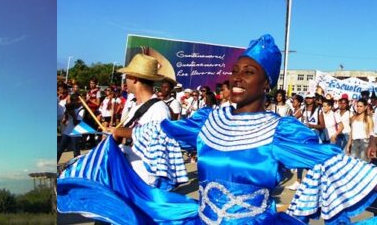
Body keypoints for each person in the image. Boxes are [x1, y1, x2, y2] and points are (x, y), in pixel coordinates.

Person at [57, 35, 377, 224]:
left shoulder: (282, 131)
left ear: (267, 83)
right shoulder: (209, 119)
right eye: (235, 71)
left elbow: (330, 161)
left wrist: (298, 210)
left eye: (249, 72)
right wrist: (119, 134)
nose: (237, 77)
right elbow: (165, 131)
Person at [116, 53, 172, 187]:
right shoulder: (136, 106)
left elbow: (160, 142)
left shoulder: (159, 109)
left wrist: (121, 132)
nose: (125, 81)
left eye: (127, 77)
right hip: (129, 174)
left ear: (134, 79)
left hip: (144, 181)